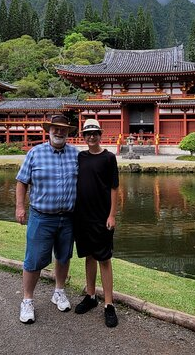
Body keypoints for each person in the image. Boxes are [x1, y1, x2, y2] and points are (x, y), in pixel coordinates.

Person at [15, 114, 79, 324]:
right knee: (33, 260)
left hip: (68, 217)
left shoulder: (75, 155)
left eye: (63, 129)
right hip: (41, 217)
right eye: (55, 128)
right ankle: (27, 300)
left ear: (68, 132)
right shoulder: (35, 153)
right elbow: (22, 182)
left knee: (63, 257)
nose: (59, 132)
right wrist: (20, 207)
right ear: (48, 130)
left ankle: (58, 291)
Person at [73, 119, 120, 328]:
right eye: (87, 134)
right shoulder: (80, 157)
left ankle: (109, 304)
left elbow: (114, 188)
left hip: (102, 216)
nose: (91, 137)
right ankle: (90, 295)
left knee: (104, 258)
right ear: (83, 136)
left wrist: (112, 215)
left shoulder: (109, 158)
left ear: (101, 134)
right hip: (82, 216)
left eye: (94, 133)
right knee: (89, 256)